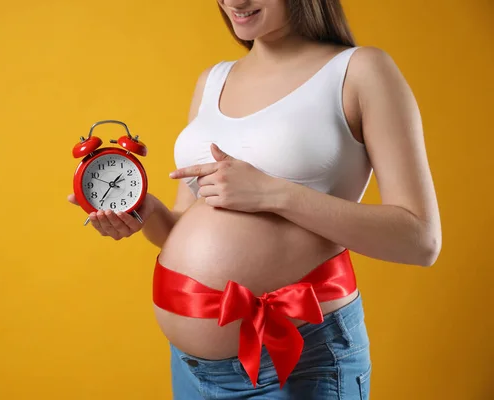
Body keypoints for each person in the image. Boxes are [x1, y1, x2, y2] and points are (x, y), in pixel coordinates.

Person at [68, 0, 442, 398]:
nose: (235, 2)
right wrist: (148, 214)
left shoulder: (360, 70)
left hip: (298, 362)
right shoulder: (213, 80)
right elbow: (183, 224)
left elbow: (420, 240)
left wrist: (273, 193)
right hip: (190, 368)